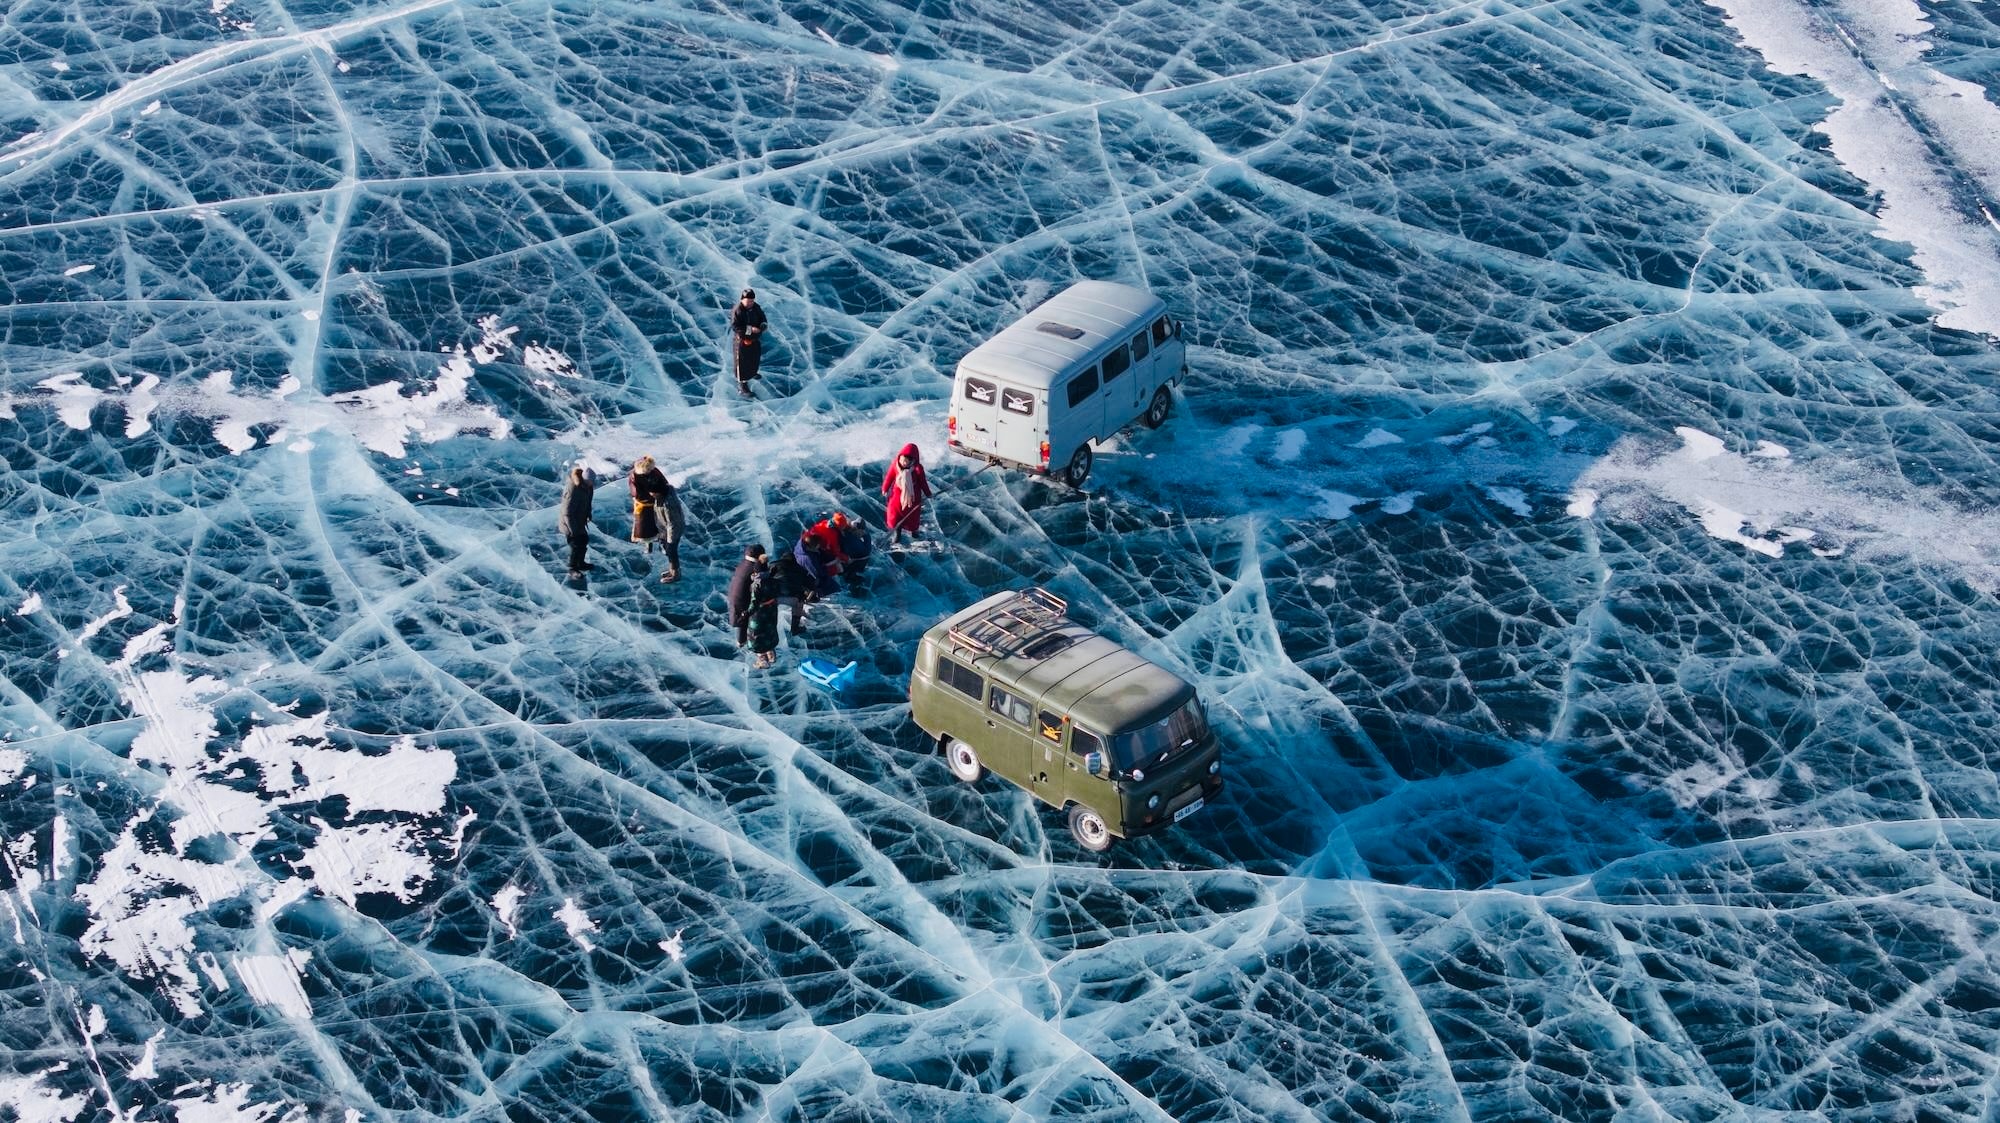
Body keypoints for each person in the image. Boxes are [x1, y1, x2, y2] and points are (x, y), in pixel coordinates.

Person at [628, 455, 684, 582]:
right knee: (669, 550)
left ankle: (675, 574)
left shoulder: (667, 503)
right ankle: (672, 571)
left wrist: (668, 538)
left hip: (673, 530)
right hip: (668, 528)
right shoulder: (661, 499)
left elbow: (672, 522)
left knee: (671, 550)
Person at [881, 443, 932, 544]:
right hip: (897, 496)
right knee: (895, 516)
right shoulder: (895, 465)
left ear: (913, 461)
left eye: (907, 461)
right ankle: (897, 532)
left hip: (912, 498)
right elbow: (889, 477)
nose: (904, 463)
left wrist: (928, 493)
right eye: (903, 460)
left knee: (912, 517)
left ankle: (914, 531)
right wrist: (885, 488)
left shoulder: (918, 469)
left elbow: (923, 482)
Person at [557, 464, 596, 579]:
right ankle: (572, 568)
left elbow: (588, 502)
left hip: (579, 520)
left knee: (583, 540)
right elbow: (566, 512)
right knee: (576, 544)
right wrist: (572, 530)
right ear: (584, 479)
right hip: (569, 522)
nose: (592, 484)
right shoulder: (573, 489)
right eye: (590, 481)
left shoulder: (588, 487)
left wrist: (588, 513)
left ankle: (581, 563)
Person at [744, 550, 781, 668]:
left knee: (756, 635)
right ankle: (771, 653)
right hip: (772, 609)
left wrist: (746, 613)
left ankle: (762, 660)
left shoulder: (756, 584)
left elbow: (754, 603)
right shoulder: (774, 579)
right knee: (770, 629)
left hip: (760, 612)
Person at [726, 544, 766, 646]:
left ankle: (740, 641)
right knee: (743, 619)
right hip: (742, 599)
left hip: (734, 595)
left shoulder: (743, 564)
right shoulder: (755, 568)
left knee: (740, 618)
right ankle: (742, 642)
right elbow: (761, 581)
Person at [731, 288, 767, 395]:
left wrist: (763, 324)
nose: (750, 303)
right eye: (748, 301)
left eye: (752, 301)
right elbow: (735, 327)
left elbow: (762, 317)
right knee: (742, 362)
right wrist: (750, 329)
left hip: (754, 338)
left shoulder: (756, 307)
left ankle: (752, 373)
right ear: (742, 299)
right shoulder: (738, 310)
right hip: (742, 340)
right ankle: (742, 385)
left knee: (754, 357)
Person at [833, 512, 871, 582]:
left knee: (847, 576)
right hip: (861, 554)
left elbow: (844, 550)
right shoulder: (853, 532)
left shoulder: (851, 540)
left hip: (860, 559)